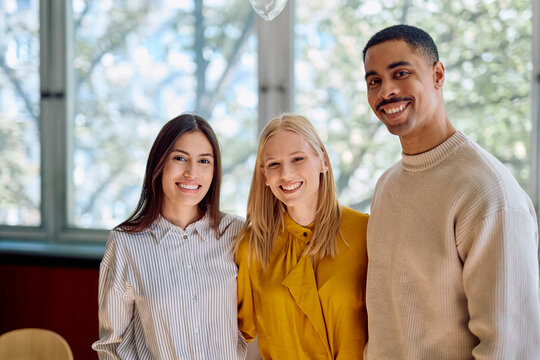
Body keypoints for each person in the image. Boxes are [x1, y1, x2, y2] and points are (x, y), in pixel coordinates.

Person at [362, 24, 540, 359]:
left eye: (400, 73)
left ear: (438, 75)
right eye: (374, 81)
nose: (386, 91)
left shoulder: (488, 192)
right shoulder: (386, 185)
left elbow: (510, 348)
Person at [92, 113, 246, 359]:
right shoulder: (125, 243)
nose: (191, 172)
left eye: (204, 161)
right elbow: (112, 346)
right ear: (159, 163)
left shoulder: (236, 234)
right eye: (180, 158)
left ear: (215, 170)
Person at [235, 114, 368, 359]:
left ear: (323, 161)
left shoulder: (365, 232)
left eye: (297, 159)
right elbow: (229, 333)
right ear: (264, 175)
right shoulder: (251, 248)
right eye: (274, 164)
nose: (286, 174)